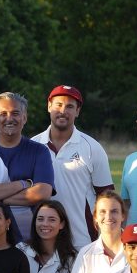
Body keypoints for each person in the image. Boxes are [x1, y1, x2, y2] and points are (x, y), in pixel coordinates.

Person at [31, 85, 113, 248]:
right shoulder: (32, 145)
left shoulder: (92, 147)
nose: (63, 111)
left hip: (81, 241)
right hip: (41, 239)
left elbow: (106, 196)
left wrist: (107, 234)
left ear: (77, 111)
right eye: (58, 105)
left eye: (70, 106)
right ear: (49, 106)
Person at [0, 91, 53, 244]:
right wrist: (23, 184)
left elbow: (43, 192)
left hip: (30, 240)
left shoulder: (39, 151)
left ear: (24, 118)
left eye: (15, 113)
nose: (9, 118)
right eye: (3, 114)